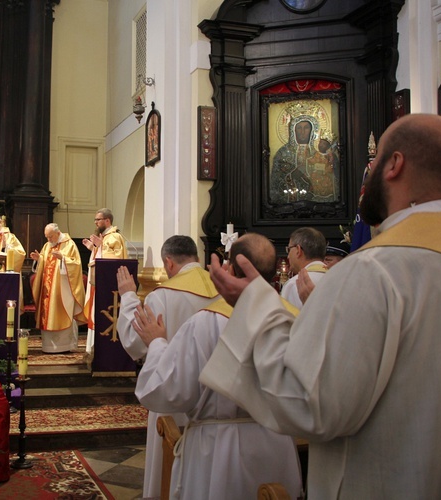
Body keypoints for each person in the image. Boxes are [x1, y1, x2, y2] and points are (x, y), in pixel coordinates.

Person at [200, 114, 441, 498]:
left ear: (394, 165)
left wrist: (253, 304)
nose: (367, 174)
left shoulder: (373, 271)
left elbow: (308, 404)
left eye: (374, 161)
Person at [131, 234, 302, 499]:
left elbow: (166, 391)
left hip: (218, 450)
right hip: (277, 446)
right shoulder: (293, 317)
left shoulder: (207, 322)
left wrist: (156, 345)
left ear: (232, 268)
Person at [115, 235, 220, 499]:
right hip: (218, 397)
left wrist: (128, 296)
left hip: (172, 393)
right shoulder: (225, 290)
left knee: (167, 471)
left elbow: (135, 343)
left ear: (168, 263)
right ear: (196, 258)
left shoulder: (162, 295)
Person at [29, 223, 86, 353]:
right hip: (48, 290)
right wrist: (39, 259)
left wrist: (63, 259)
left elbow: (76, 265)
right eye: (46, 237)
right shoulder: (47, 245)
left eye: (50, 236)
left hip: (62, 290)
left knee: (62, 312)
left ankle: (65, 346)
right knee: (47, 314)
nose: (48, 240)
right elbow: (45, 261)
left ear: (58, 233)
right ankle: (48, 346)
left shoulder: (69, 244)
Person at [82, 208, 128, 358]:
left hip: (109, 286)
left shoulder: (115, 237)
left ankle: (102, 350)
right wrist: (93, 249)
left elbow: (115, 259)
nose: (95, 222)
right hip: (98, 283)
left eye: (98, 219)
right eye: (95, 220)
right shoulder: (104, 237)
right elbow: (99, 259)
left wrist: (100, 247)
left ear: (107, 220)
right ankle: (92, 348)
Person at [270, 116, 318, 204]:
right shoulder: (282, 153)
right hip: (288, 202)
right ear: (293, 130)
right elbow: (275, 181)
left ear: (311, 130)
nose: (302, 132)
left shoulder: (318, 154)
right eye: (299, 128)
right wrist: (291, 175)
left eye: (306, 128)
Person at [280, 226, 327, 309]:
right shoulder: (339, 279)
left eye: (289, 249)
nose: (287, 256)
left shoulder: (295, 284)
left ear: (298, 250)